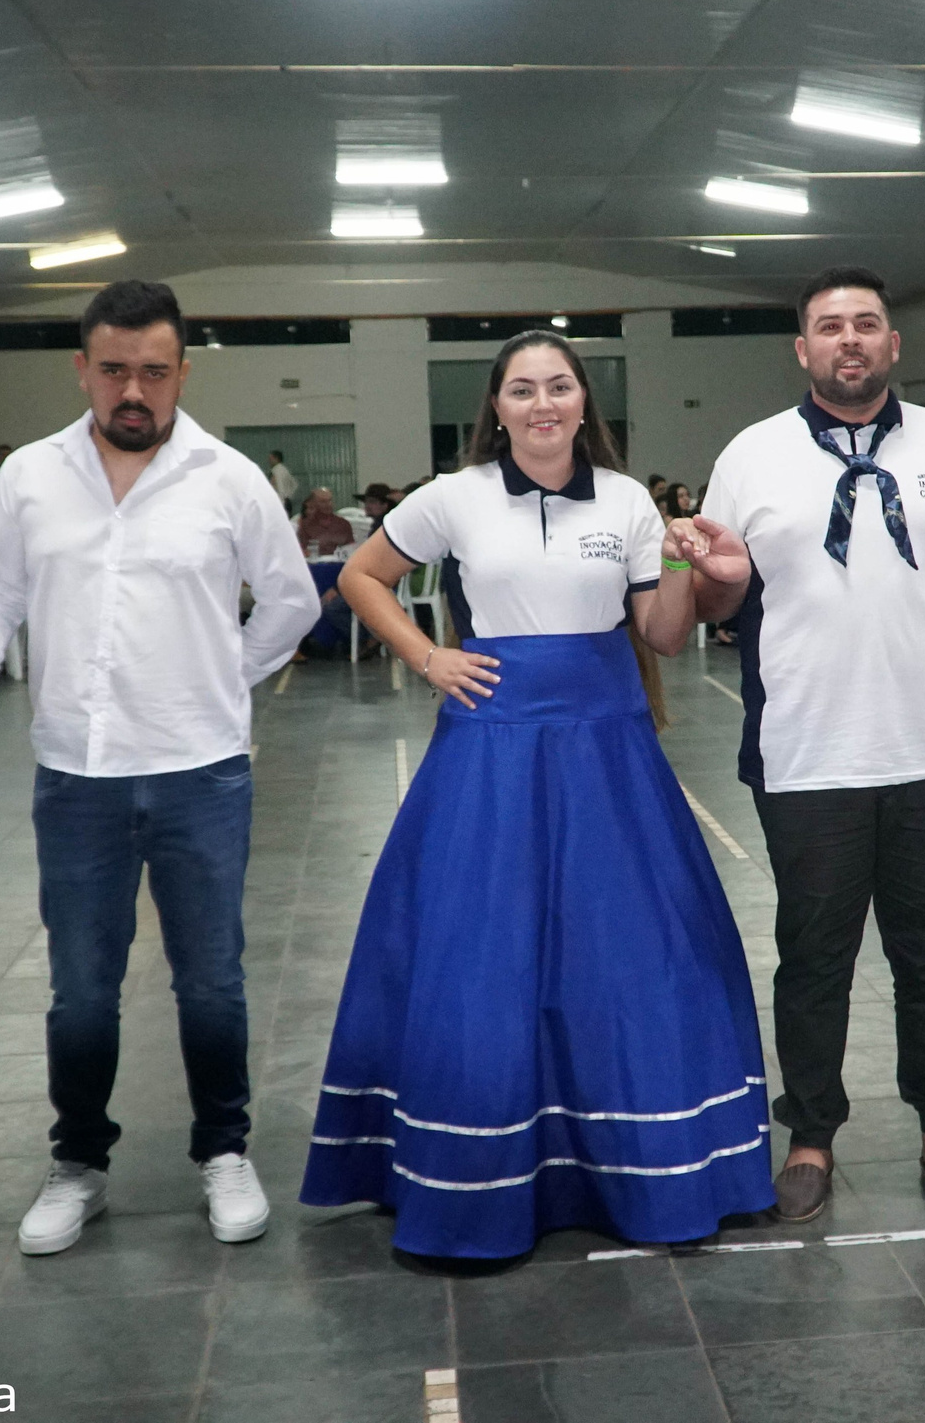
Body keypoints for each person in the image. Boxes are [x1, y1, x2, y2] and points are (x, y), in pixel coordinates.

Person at [301, 331, 774, 1259]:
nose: (543, 403)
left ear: (584, 401)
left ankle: (634, 1163)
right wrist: (429, 656)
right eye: (523, 389)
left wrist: (684, 561)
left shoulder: (627, 500)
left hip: (609, 745)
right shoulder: (456, 495)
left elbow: (662, 634)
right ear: (498, 406)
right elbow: (361, 574)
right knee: (484, 950)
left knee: (628, 949)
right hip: (491, 749)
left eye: (560, 386)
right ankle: (479, 1173)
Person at [0, 279, 320, 1256]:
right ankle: (78, 1165)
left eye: (153, 371)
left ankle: (224, 1150)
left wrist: (220, 678)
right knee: (82, 987)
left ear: (183, 372)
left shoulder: (228, 478)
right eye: (113, 370)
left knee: (210, 981)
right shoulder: (30, 476)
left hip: (201, 775)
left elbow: (291, 600)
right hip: (77, 779)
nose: (133, 391)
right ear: (82, 369)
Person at [694, 266, 925, 1223]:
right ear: (802, 348)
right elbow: (717, 598)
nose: (850, 339)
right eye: (831, 326)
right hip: (807, 752)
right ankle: (810, 1139)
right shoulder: (752, 455)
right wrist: (719, 578)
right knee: (814, 957)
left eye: (867, 324)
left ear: (894, 344)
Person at [295, 486, 354, 556]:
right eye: (323, 501)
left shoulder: (343, 524)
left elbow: (351, 549)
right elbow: (300, 551)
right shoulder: (306, 525)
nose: (328, 504)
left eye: (330, 500)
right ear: (314, 504)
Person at [267, 450, 298, 517]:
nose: (269, 461)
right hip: (286, 501)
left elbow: (279, 486)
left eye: (271, 458)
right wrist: (288, 496)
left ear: (276, 459)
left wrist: (281, 498)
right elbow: (295, 484)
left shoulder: (276, 471)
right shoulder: (285, 470)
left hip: (280, 503)